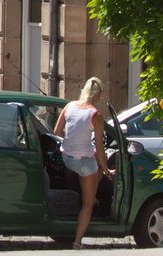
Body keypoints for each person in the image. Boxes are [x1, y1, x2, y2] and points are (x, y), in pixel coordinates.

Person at [52, 77, 117, 249]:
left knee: (94, 159)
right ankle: (78, 241)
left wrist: (72, 135)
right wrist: (107, 170)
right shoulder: (96, 115)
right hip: (84, 164)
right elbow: (101, 148)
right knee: (87, 203)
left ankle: (93, 192)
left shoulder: (69, 106)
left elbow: (56, 132)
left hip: (66, 158)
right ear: (99, 95)